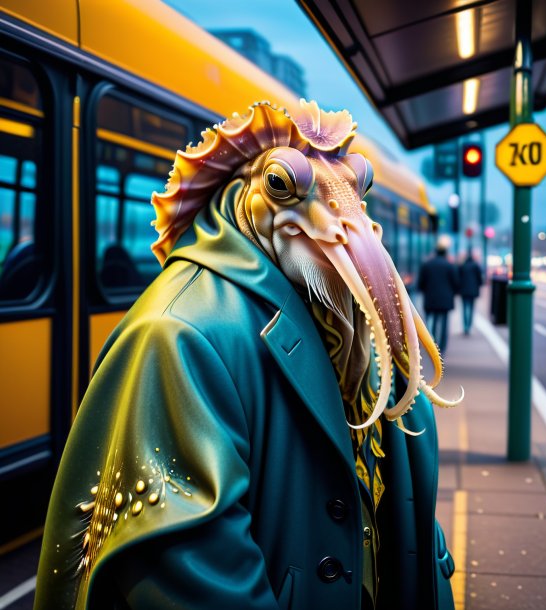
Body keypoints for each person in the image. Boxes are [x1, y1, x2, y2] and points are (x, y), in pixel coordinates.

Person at [34, 101, 461, 610]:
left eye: (353, 186)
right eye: (282, 186)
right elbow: (193, 566)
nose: (348, 224)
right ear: (241, 199)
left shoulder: (343, 321)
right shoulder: (177, 336)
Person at [417, 236, 460, 354]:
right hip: (445, 299)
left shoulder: (427, 265)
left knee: (432, 321)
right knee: (444, 325)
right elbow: (456, 283)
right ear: (446, 253)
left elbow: (421, 283)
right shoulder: (450, 266)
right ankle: (442, 347)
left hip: (430, 298)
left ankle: (432, 345)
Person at [459, 249, 484, 335]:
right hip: (473, 290)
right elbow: (480, 279)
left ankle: (465, 326)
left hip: (464, 290)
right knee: (471, 308)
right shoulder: (475, 266)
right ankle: (469, 326)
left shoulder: (462, 266)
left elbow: (458, 278)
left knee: (465, 308)